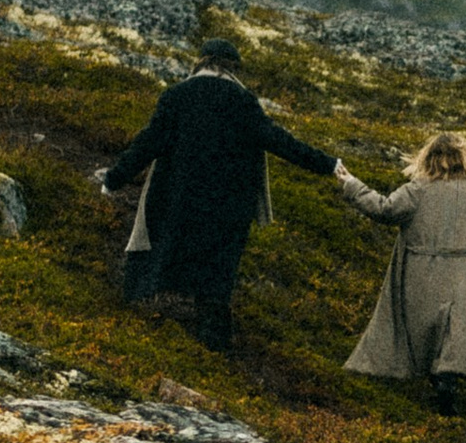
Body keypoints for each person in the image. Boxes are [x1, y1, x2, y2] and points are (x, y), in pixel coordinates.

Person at [97, 38, 346, 354]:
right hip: (230, 204)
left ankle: (135, 311)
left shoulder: (177, 96)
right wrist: (328, 164)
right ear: (232, 68)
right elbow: (280, 141)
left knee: (163, 248)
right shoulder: (242, 101)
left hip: (180, 197)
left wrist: (114, 179)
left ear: (200, 62)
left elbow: (148, 143)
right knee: (217, 268)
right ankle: (213, 341)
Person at [336, 132, 466, 415]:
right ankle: (453, 381)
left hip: (423, 277)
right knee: (463, 337)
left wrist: (351, 185)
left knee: (430, 333)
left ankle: (436, 384)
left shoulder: (418, 190)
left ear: (428, 157)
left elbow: (383, 209)